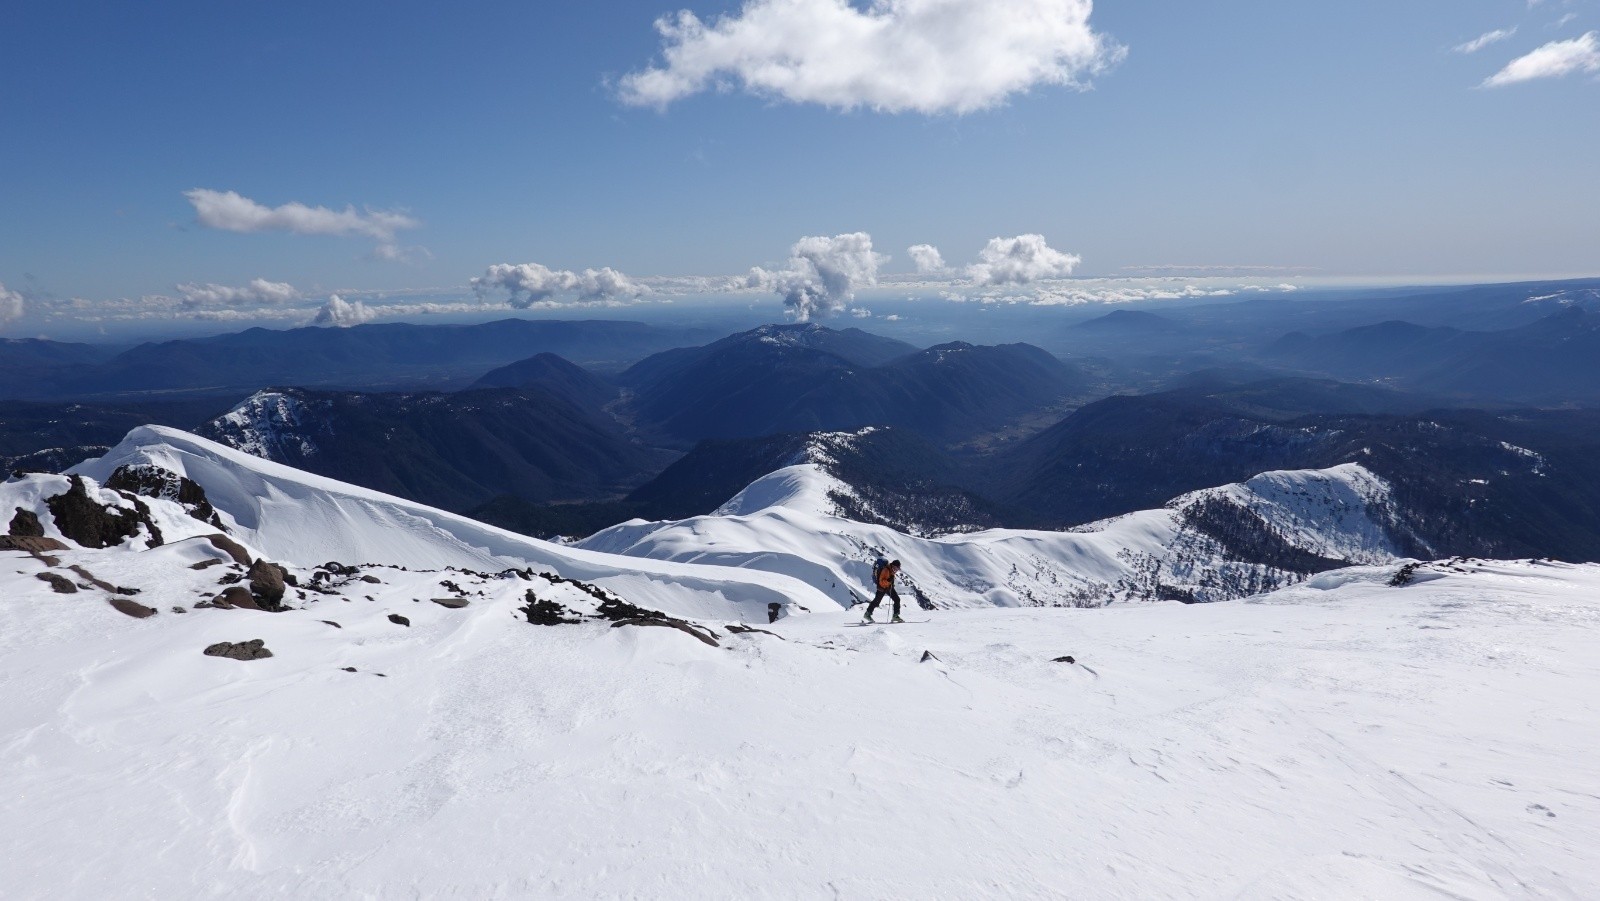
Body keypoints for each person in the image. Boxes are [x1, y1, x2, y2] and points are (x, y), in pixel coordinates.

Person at [864, 559, 903, 623]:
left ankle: (895, 616)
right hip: (882, 588)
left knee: (897, 599)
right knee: (876, 602)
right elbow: (881, 581)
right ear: (893, 566)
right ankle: (867, 614)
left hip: (888, 587)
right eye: (896, 568)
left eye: (897, 569)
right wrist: (888, 581)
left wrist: (890, 582)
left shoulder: (891, 570)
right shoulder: (886, 570)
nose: (896, 570)